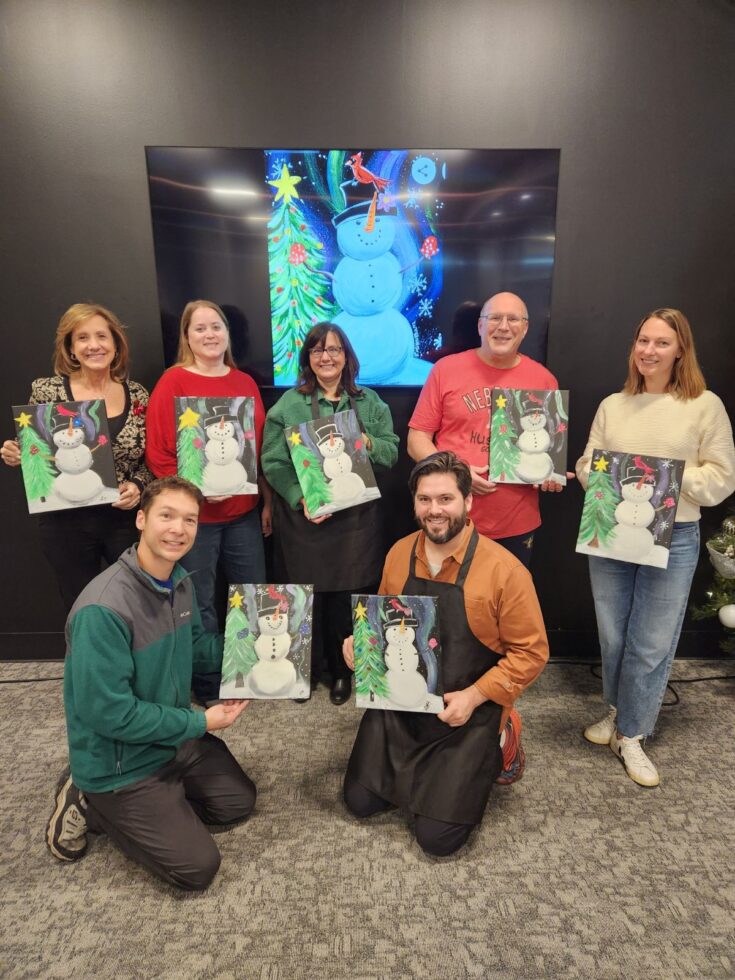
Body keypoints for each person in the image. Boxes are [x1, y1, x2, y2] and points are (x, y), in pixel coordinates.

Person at [45, 476, 256, 891]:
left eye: (190, 520)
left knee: (236, 802)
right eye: (167, 516)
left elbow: (195, 646)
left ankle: (160, 799)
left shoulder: (179, 579)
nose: (178, 529)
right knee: (197, 867)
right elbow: (110, 714)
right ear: (140, 519)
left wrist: (257, 658)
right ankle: (88, 797)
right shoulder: (102, 610)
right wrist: (200, 724)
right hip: (120, 760)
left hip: (168, 739)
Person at [342, 452, 549, 856]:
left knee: (437, 840)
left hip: (466, 710)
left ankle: (504, 738)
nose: (434, 510)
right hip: (403, 704)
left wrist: (475, 696)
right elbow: (384, 621)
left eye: (445, 499)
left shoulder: (505, 571)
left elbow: (532, 653)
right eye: (424, 500)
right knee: (359, 803)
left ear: (468, 502)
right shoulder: (399, 553)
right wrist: (360, 645)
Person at [576, 308, 735, 788]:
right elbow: (587, 464)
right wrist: (597, 476)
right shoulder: (613, 404)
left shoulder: (704, 405)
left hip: (676, 535)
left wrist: (668, 481)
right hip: (613, 534)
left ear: (680, 350)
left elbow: (723, 477)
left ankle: (634, 734)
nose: (649, 351)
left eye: (661, 343)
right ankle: (618, 711)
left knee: (651, 642)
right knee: (613, 636)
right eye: (643, 340)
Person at [261, 322, 399, 705]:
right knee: (307, 597)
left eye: (335, 350)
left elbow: (391, 452)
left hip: (356, 524)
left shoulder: (370, 402)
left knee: (346, 600)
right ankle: (303, 671)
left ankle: (342, 672)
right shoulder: (288, 405)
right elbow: (273, 460)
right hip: (306, 518)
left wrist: (369, 442)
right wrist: (297, 497)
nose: (327, 357)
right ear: (308, 358)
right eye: (318, 350)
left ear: (347, 357)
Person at [145, 299, 272, 704]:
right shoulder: (173, 383)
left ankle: (255, 673)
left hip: (242, 515)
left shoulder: (244, 383)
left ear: (227, 333)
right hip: (195, 519)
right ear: (187, 337)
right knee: (199, 602)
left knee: (252, 594)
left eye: (216, 326)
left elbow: (259, 451)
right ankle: (208, 681)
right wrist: (194, 493)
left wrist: (266, 502)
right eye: (199, 328)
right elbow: (159, 454)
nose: (209, 335)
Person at [1, 303, 151, 612]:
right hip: (64, 523)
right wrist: (18, 453)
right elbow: (35, 450)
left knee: (136, 602)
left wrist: (138, 485)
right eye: (82, 338)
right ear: (70, 348)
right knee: (81, 606)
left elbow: (150, 459)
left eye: (102, 336)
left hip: (123, 520)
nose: (94, 345)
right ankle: (88, 661)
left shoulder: (138, 395)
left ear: (115, 344)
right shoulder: (46, 391)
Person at [408, 291, 567, 568]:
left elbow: (546, 453)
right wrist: (455, 471)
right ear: (480, 325)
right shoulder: (446, 370)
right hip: (449, 517)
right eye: (494, 318)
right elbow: (416, 439)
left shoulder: (543, 379)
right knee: (448, 605)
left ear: (525, 327)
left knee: (505, 608)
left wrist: (549, 474)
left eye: (513, 319)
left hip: (516, 523)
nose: (503, 326)